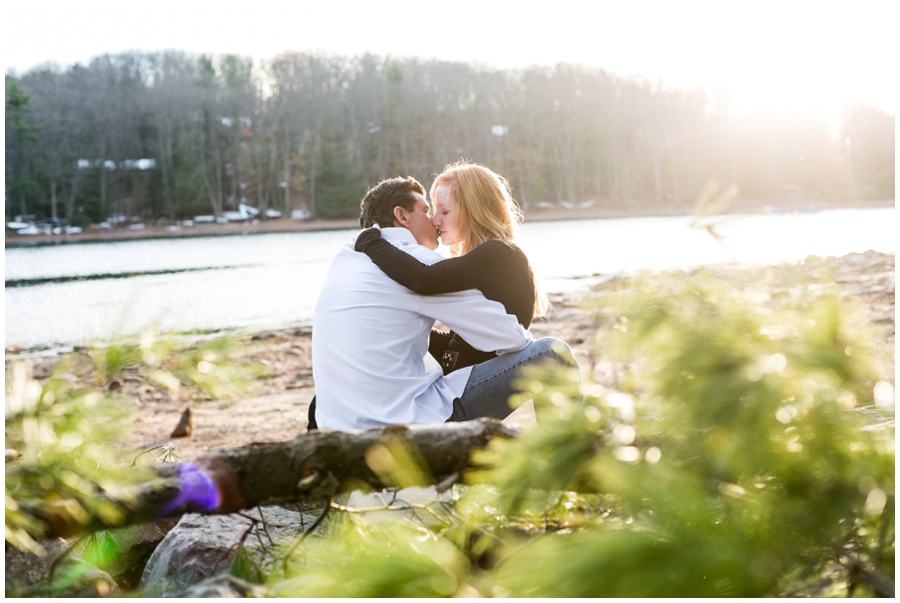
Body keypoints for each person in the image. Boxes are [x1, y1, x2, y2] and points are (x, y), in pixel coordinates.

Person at [310, 175, 575, 431]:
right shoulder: (415, 262)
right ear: (402, 216)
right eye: (427, 210)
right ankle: (566, 462)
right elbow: (513, 340)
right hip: (406, 428)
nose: (434, 220)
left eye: (442, 212)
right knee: (551, 353)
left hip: (336, 428)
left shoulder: (345, 259)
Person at [354, 160, 547, 375]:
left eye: (444, 212)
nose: (435, 220)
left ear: (474, 210)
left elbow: (424, 280)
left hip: (477, 379)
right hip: (461, 369)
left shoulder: (498, 253)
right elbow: (461, 342)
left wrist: (371, 242)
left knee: (550, 352)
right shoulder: (484, 257)